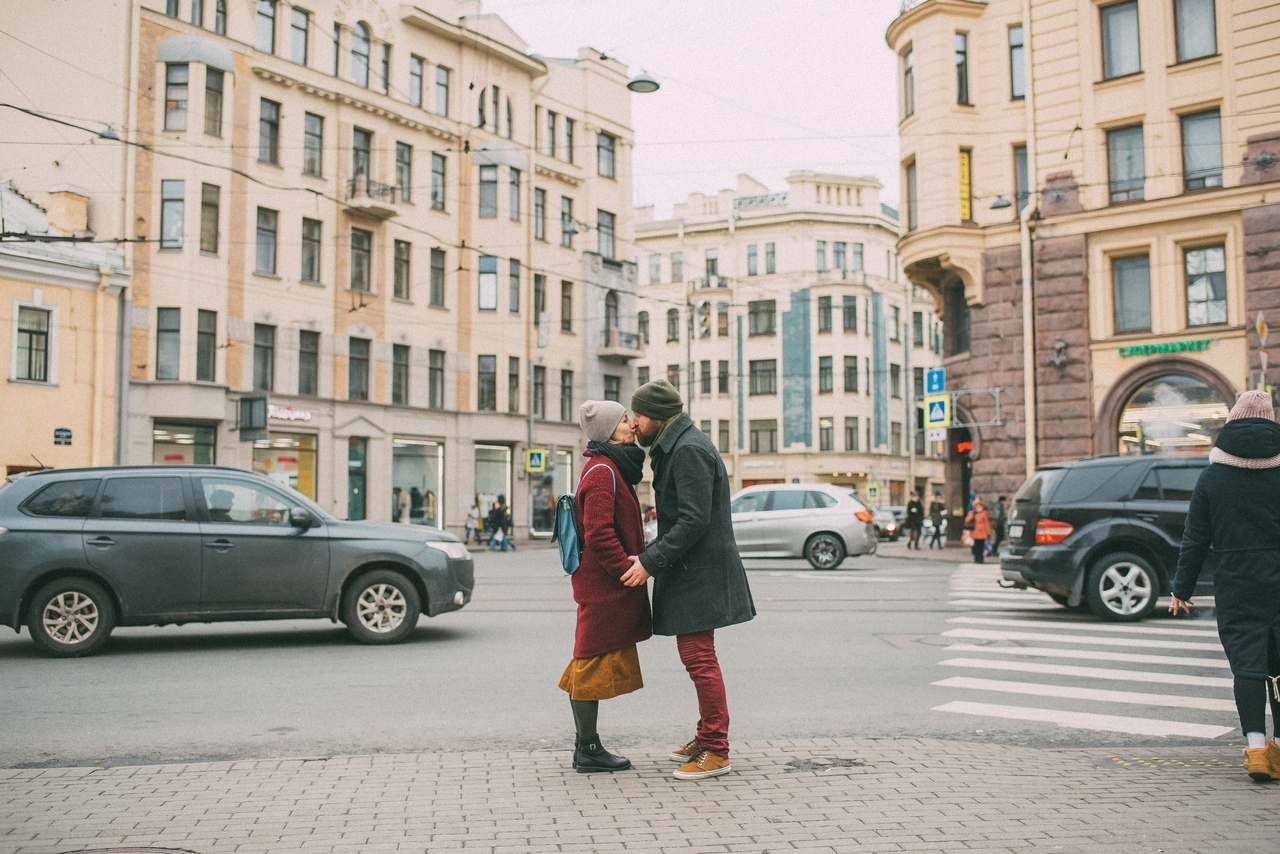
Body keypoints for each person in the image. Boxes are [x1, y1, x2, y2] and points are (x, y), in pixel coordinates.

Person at [622, 379, 755, 781]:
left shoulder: (688, 450)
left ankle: (716, 750)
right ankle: (706, 737)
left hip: (700, 572)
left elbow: (694, 519)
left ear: (655, 417)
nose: (634, 423)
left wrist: (650, 561)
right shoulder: (677, 445)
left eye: (638, 415)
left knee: (700, 659)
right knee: (697, 657)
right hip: (693, 570)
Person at [1169, 390, 1280, 782]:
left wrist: (1181, 589)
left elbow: (1195, 538)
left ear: (1232, 422)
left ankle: (1255, 750)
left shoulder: (1213, 477)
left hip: (1236, 581)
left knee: (1248, 667)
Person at [559, 400, 653, 773]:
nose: (632, 425)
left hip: (604, 584)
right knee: (588, 659)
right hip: (603, 585)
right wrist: (626, 570)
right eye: (624, 420)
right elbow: (598, 533)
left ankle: (588, 746)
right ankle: (588, 749)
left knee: (590, 656)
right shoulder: (601, 471)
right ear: (609, 430)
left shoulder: (612, 466)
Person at [964, 498, 991, 564]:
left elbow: (986, 523)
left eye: (980, 506)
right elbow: (967, 520)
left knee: (981, 547)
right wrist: (972, 515)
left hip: (982, 533)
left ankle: (981, 559)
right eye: (977, 507)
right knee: (975, 547)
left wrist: (988, 532)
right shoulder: (972, 513)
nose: (979, 508)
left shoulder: (984, 514)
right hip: (975, 533)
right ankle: (976, 558)